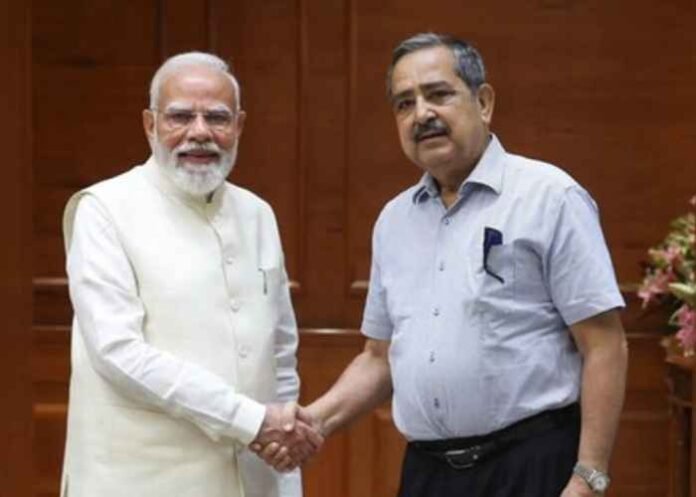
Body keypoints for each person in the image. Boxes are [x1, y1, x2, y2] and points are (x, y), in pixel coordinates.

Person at [256, 33, 629, 496]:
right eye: (404, 104)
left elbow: (604, 345)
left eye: (438, 94)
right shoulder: (394, 221)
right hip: (428, 473)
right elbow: (379, 358)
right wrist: (314, 421)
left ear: (484, 102)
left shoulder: (550, 198)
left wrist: (589, 477)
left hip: (530, 467)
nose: (421, 114)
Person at [60, 52, 322, 497]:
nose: (199, 132)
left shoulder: (257, 213)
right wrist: (250, 420)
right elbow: (118, 352)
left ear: (239, 126)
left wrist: (286, 470)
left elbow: (279, 354)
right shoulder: (103, 210)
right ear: (150, 124)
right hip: (138, 481)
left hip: (253, 479)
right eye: (180, 116)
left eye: (217, 118)